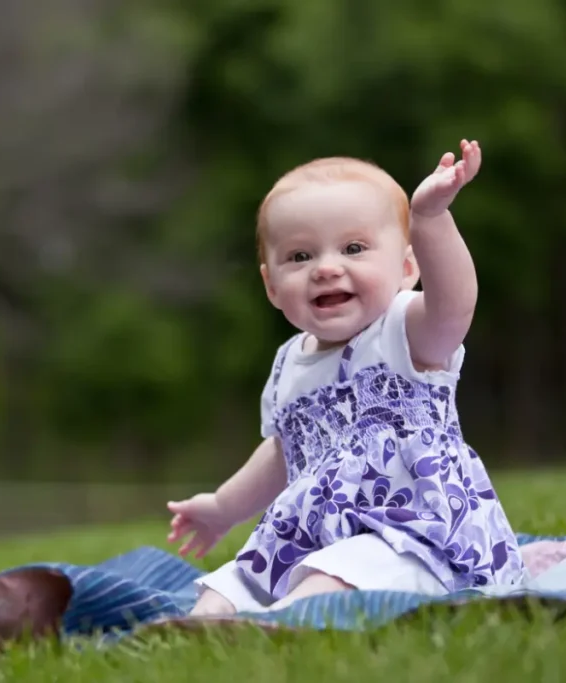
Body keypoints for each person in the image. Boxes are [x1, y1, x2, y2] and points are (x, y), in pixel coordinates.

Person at [167, 140, 526, 615]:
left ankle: (285, 622)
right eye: (299, 257)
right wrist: (223, 507)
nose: (327, 269)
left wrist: (431, 219)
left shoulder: (404, 333)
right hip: (313, 535)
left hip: (413, 532)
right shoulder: (287, 366)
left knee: (341, 574)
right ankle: (208, 628)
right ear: (272, 286)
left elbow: (455, 302)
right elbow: (281, 454)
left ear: (406, 268)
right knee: (232, 582)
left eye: (354, 248)